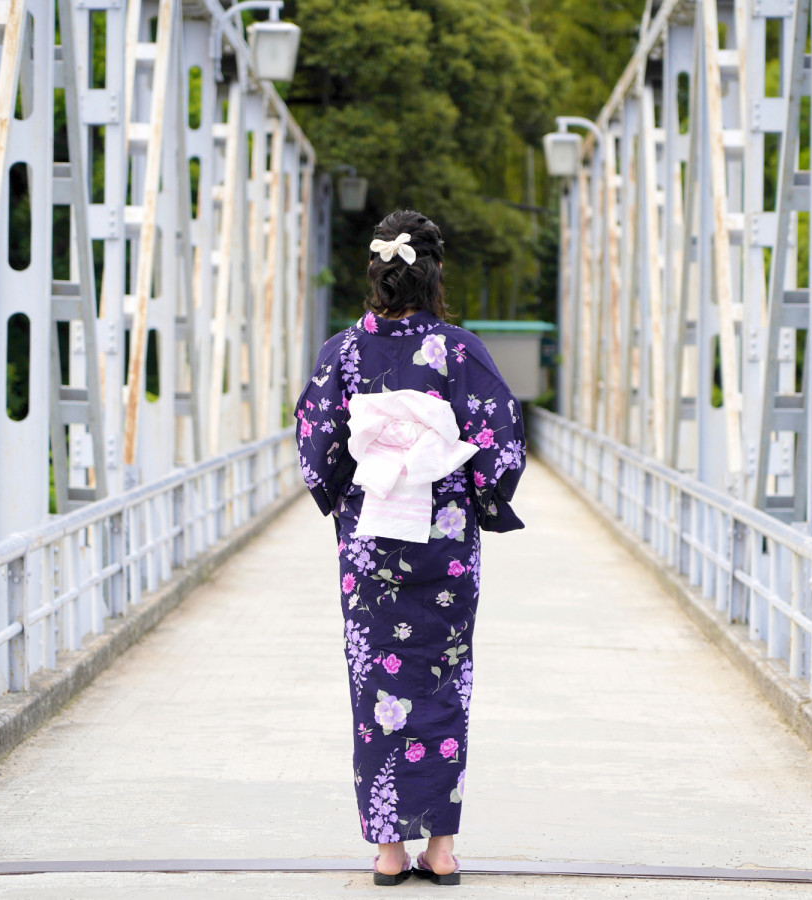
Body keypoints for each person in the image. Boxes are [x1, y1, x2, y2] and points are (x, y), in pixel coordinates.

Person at [294, 209, 526, 887]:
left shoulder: (342, 353)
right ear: (432, 276)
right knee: (442, 684)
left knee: (376, 689)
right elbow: (501, 438)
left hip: (370, 548)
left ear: (376, 274)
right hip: (443, 546)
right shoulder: (459, 353)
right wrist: (481, 495)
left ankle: (389, 854)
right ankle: (442, 851)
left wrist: (345, 489)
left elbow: (316, 443)